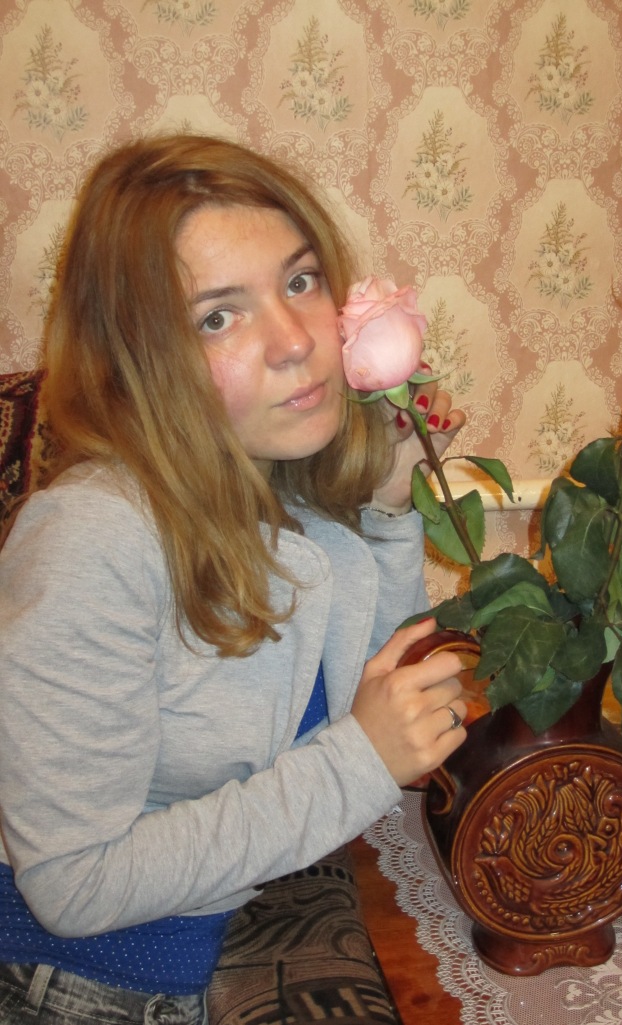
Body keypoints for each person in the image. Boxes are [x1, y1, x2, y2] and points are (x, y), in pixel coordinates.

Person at [0, 134, 468, 1024]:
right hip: (85, 976)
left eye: (300, 280)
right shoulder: (90, 538)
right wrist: (362, 757)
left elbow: (379, 695)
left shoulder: (281, 482)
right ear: (140, 359)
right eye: (218, 316)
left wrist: (390, 504)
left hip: (229, 929)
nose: (295, 342)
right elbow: (70, 882)